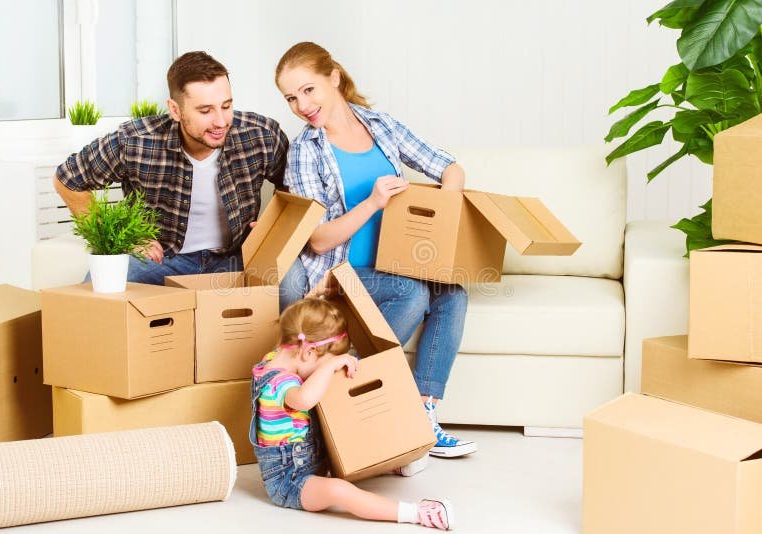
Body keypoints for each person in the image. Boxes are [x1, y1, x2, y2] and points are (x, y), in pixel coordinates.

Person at [275, 42, 476, 459]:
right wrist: (373, 202)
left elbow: (450, 168)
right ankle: (342, 385)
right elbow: (317, 239)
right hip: (340, 273)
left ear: (333, 77)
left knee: (452, 290)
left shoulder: (381, 126)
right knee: (412, 293)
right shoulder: (304, 152)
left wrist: (441, 223)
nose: (302, 105)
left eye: (309, 90)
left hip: (396, 264)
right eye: (291, 98)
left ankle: (423, 414)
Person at [53, 51, 303, 309]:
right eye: (205, 110)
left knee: (292, 278)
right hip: (164, 261)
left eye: (226, 106)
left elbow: (290, 186)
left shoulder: (261, 134)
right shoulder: (135, 140)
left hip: (237, 256)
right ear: (175, 110)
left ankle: (283, 350)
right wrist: (120, 237)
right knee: (97, 287)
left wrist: (272, 227)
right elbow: (67, 180)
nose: (220, 121)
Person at [250, 297, 454, 530]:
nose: (321, 370)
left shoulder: (276, 358)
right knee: (340, 491)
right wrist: (329, 366)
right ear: (308, 351)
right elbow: (304, 400)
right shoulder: (277, 382)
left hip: (313, 461)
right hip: (291, 481)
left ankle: (386, 464)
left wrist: (326, 359)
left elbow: (300, 328)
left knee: (346, 444)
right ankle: (415, 513)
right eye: (320, 363)